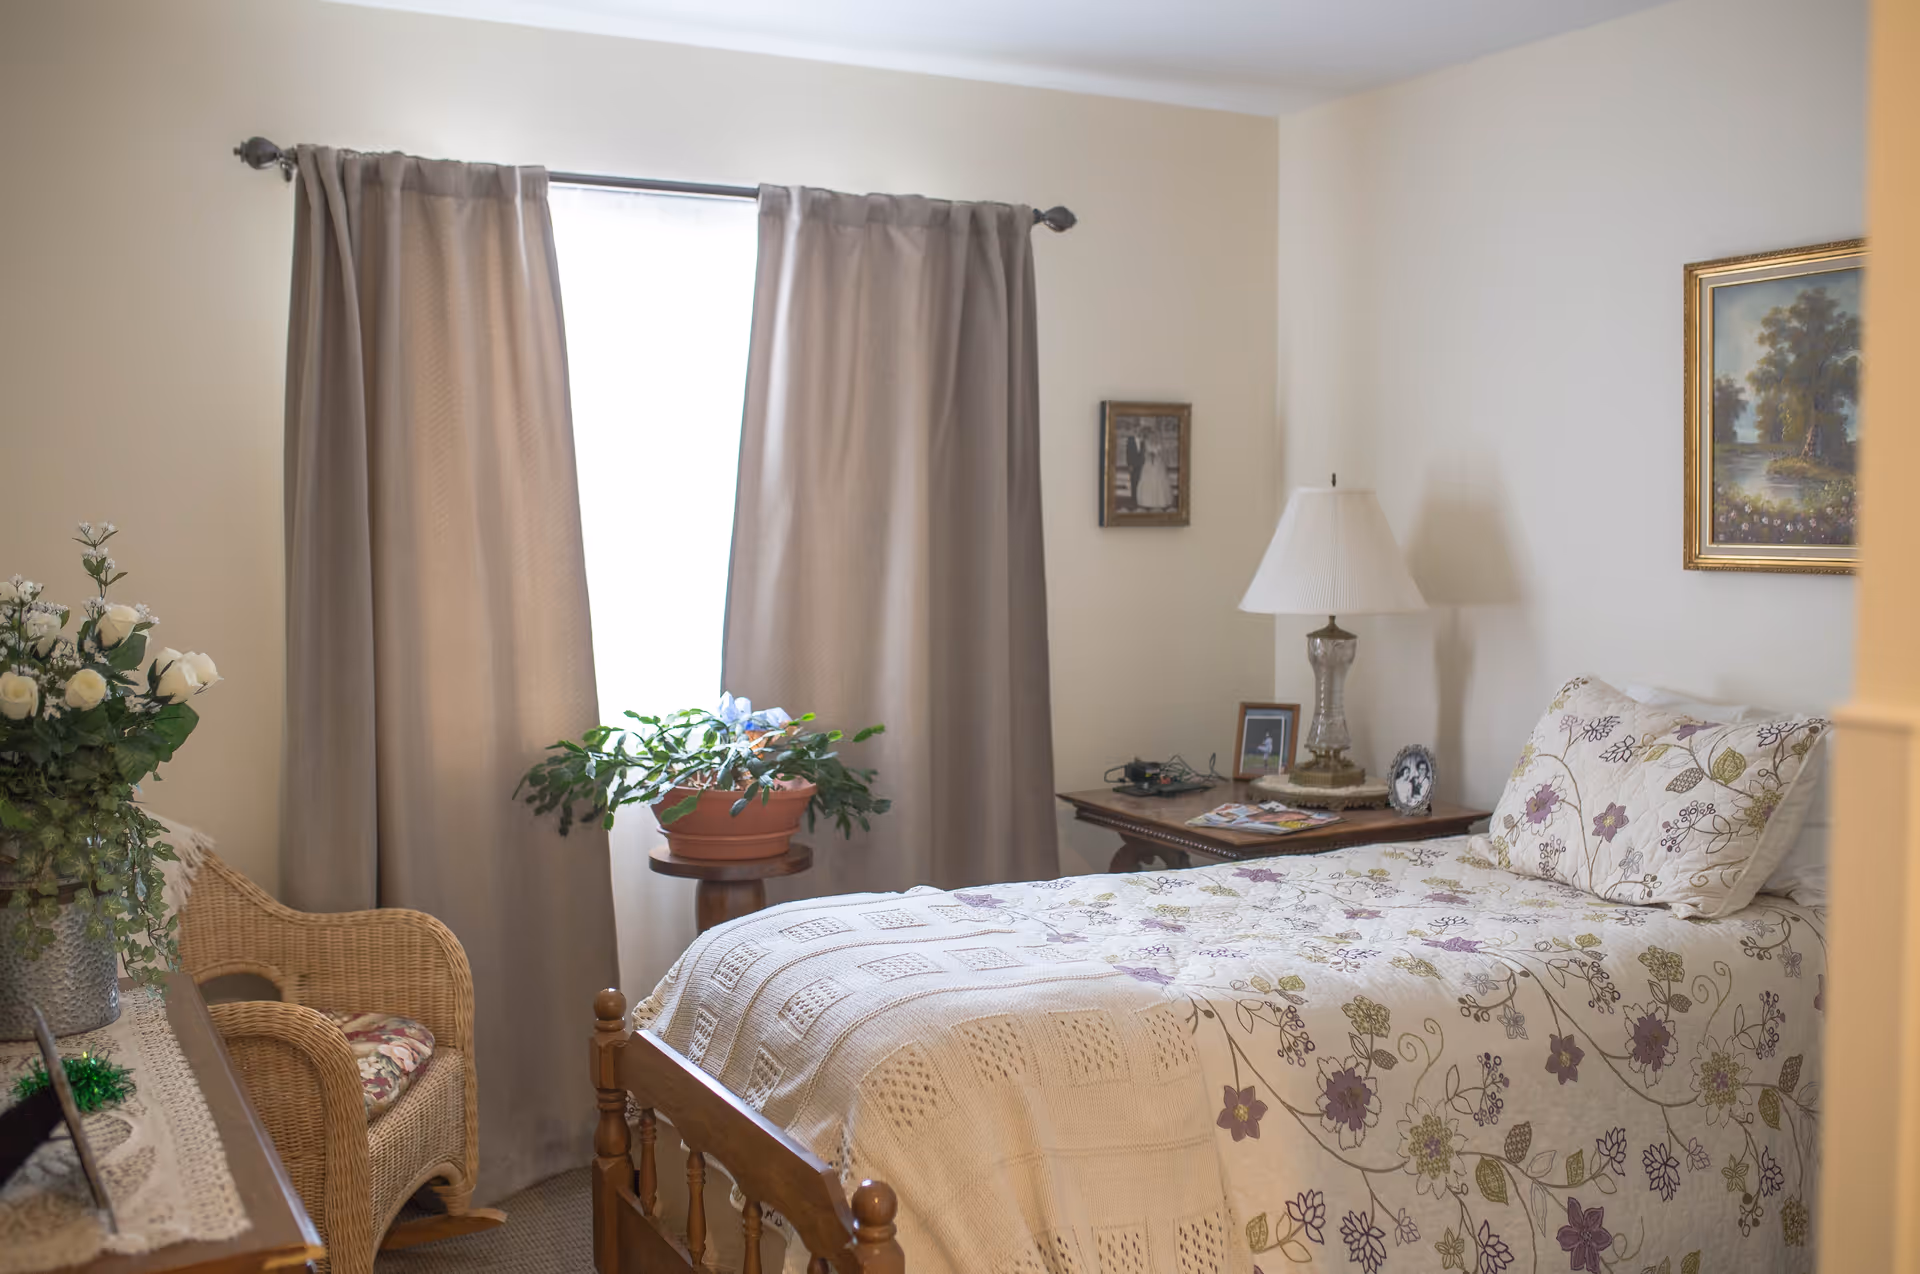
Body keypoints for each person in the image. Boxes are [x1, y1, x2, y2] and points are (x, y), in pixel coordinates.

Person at [1135, 431, 1173, 509]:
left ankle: (1160, 501)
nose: (1152, 437)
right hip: (1148, 464)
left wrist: (1157, 456)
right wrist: (1149, 456)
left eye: (1154, 435)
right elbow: (1144, 454)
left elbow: (1164, 455)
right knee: (1147, 481)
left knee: (1159, 481)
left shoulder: (1160, 444)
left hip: (1158, 464)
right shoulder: (1146, 443)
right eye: (1151, 436)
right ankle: (1147, 501)